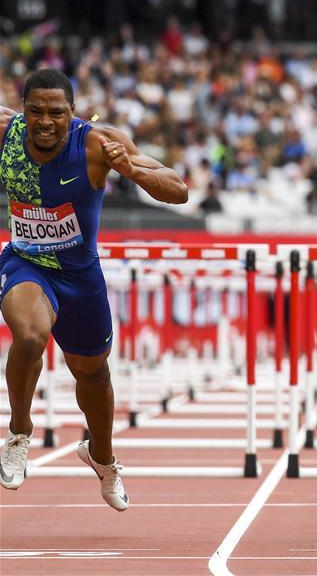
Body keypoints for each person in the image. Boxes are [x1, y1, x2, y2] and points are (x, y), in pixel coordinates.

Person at [0, 69, 188, 510]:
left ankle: (103, 459)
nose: (45, 122)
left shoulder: (98, 143)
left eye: (57, 113)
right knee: (29, 335)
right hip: (25, 261)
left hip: (80, 277)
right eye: (36, 112)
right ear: (21, 108)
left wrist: (131, 170)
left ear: (73, 112)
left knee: (93, 374)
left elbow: (178, 191)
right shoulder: (6, 132)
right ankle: (19, 434)